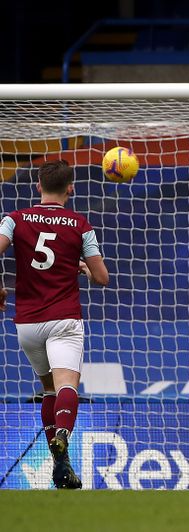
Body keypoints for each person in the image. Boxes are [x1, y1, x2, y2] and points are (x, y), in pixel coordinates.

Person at [0, 160, 110, 489]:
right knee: (66, 387)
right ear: (70, 189)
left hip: (28, 323)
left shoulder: (14, 219)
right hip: (64, 319)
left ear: (38, 186)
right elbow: (102, 277)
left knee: (48, 389)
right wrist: (86, 269)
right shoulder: (81, 226)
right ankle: (64, 432)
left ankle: (60, 464)